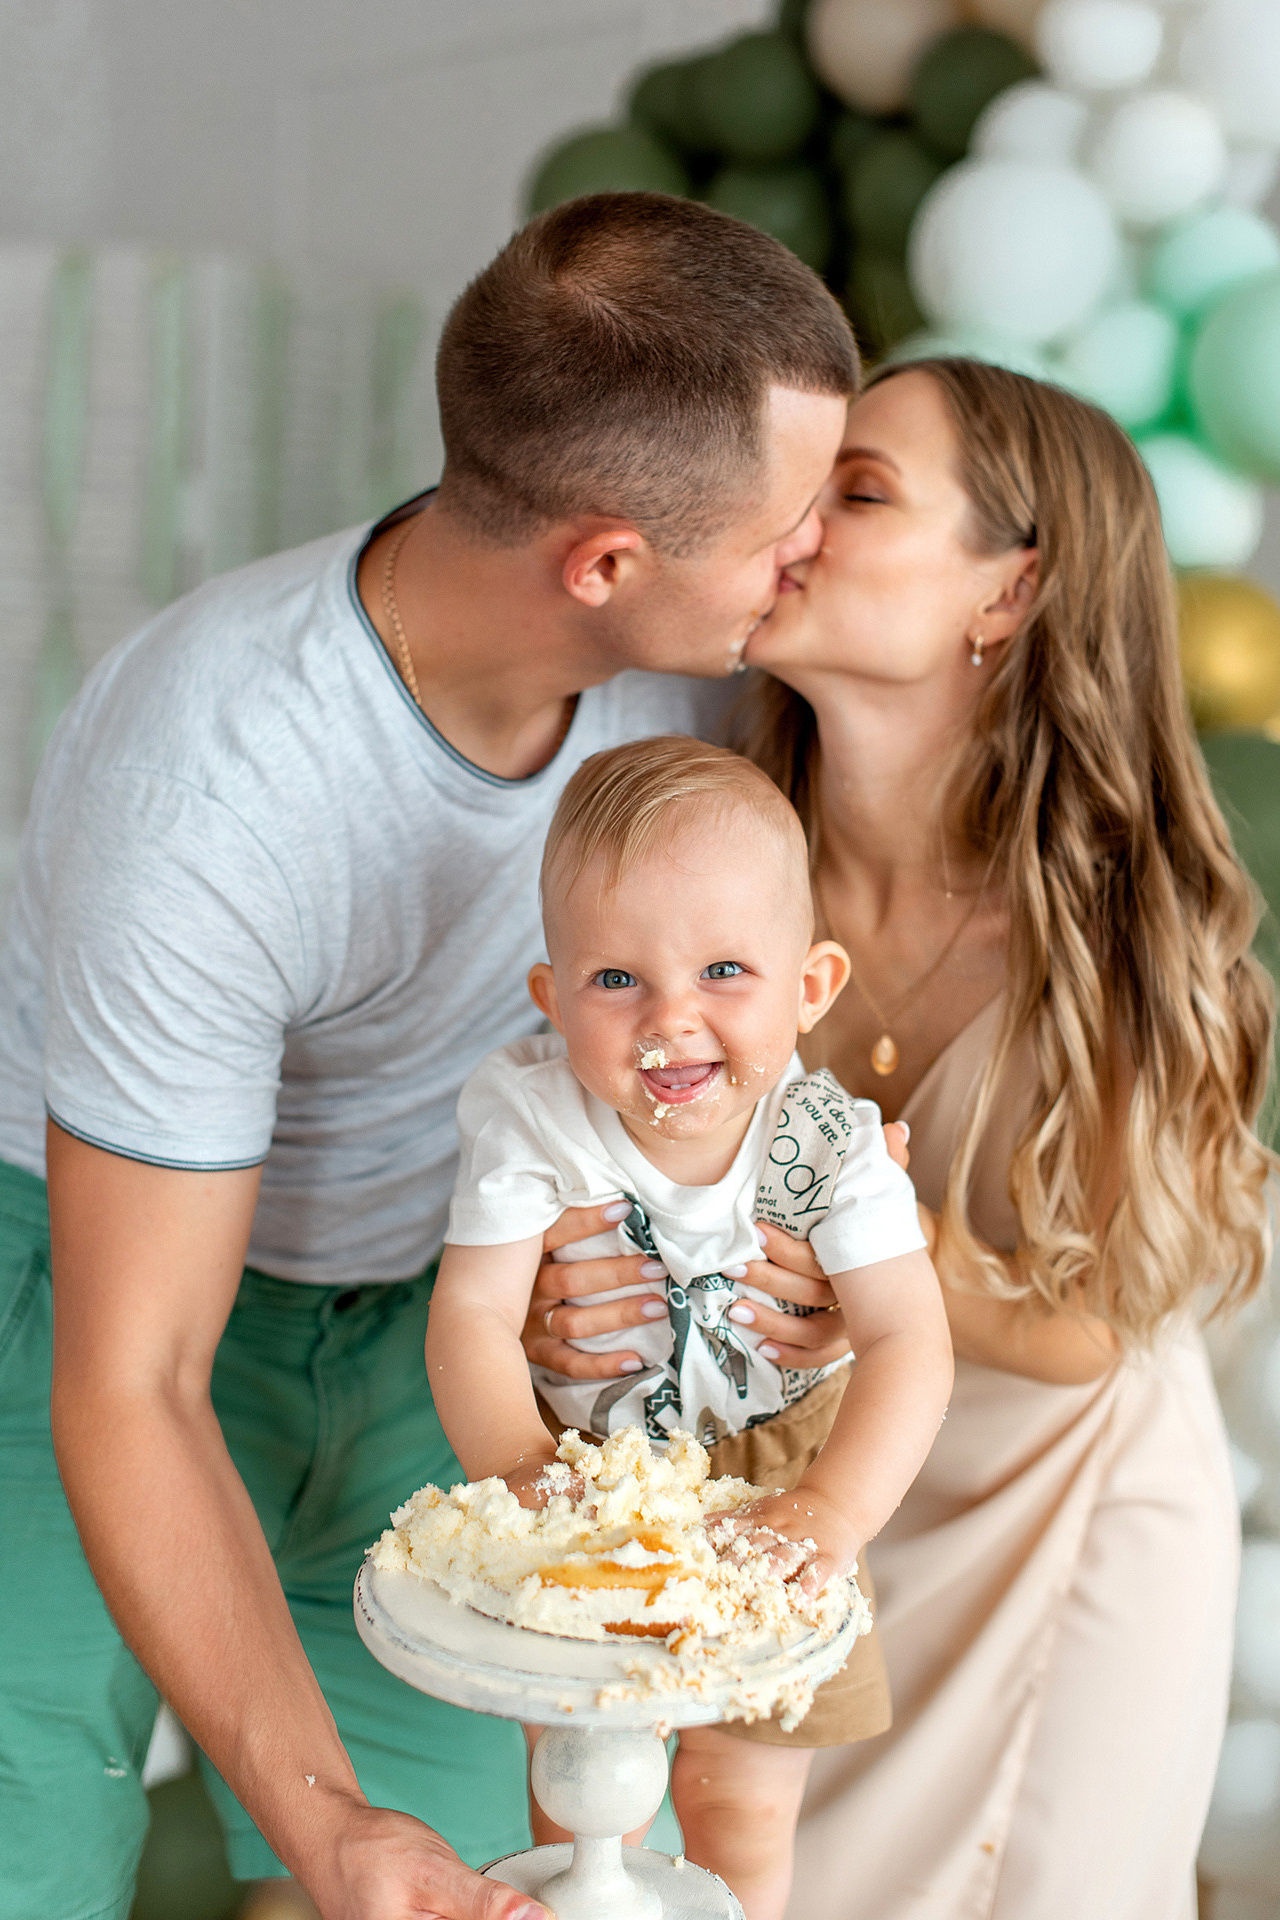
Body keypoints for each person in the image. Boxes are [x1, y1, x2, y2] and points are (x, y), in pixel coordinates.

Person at [0, 193, 861, 1920]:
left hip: (428, 1327)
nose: (813, 561)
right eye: (787, 530)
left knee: (512, 1885)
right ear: (603, 560)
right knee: (39, 1852)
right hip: (96, 1303)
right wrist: (319, 1820)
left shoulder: (703, 670)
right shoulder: (211, 793)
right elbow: (132, 1384)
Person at [524, 359, 1275, 1919]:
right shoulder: (712, 855)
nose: (795, 518)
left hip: (1057, 1506)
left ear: (1010, 590)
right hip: (802, 1509)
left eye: (859, 492)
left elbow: (1097, 1330)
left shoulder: (1122, 924)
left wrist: (844, 1249)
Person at [427, 735, 953, 1920]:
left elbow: (912, 1344)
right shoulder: (529, 1117)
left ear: (809, 988)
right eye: (617, 981)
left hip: (787, 1476)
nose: (673, 1021)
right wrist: (516, 1467)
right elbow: (467, 1312)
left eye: (724, 971)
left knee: (742, 1805)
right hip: (588, 1481)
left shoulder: (832, 1147)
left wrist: (831, 1513)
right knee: (582, 1793)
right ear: (552, 998)